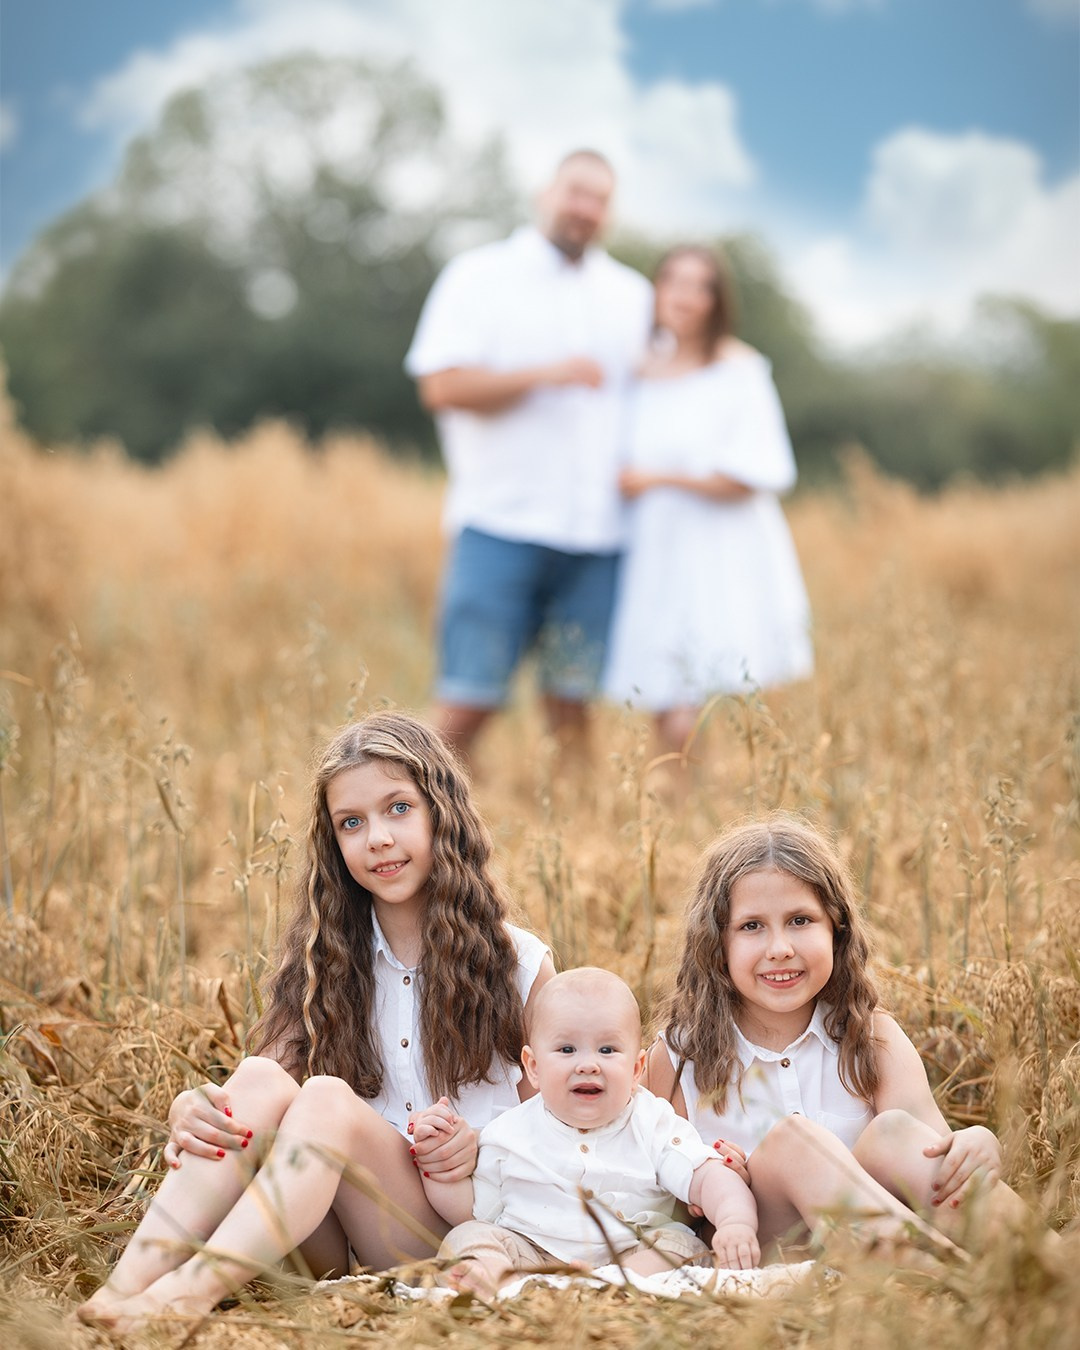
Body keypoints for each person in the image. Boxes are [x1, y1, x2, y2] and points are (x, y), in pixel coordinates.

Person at [77, 711, 555, 1329]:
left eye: (398, 809)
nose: (377, 837)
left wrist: (481, 1147)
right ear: (334, 843)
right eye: (351, 823)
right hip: (324, 1237)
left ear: (444, 812)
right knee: (257, 1079)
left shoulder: (519, 964)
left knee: (327, 1098)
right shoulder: (323, 960)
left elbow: (561, 1131)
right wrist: (194, 1107)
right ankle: (121, 1291)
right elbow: (260, 1099)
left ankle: (185, 1296)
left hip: (452, 1235)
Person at [644, 815, 1053, 1263]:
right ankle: (944, 1278)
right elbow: (650, 1197)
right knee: (793, 1142)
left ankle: (1050, 1268)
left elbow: (932, 1154)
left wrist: (976, 1143)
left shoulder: (872, 1038)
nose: (779, 947)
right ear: (716, 944)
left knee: (893, 1132)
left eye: (800, 920)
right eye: (752, 926)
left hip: (877, 1233)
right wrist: (711, 1184)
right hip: (764, 1248)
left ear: (836, 931)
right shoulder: (680, 1058)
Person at [405, 150, 653, 765]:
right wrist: (547, 374)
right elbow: (442, 386)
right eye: (576, 192)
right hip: (501, 521)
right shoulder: (478, 276)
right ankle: (418, 832)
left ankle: (575, 846)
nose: (586, 209)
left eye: (600, 199)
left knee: (574, 706)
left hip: (599, 532)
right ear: (546, 194)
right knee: (468, 702)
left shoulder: (632, 295)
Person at [416, 967, 759, 1297]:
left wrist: (734, 1221)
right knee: (470, 1236)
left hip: (630, 1255)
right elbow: (472, 1208)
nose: (588, 1064)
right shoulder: (509, 1133)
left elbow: (707, 1176)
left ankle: (607, 1288)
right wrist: (438, 1164)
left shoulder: (651, 1122)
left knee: (683, 1247)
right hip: (532, 1256)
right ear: (533, 1067)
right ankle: (496, 1285)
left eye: (607, 1050)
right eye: (567, 1050)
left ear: (637, 1068)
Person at [604, 246, 813, 757]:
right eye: (673, 281)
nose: (683, 296)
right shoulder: (637, 369)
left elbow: (758, 473)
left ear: (716, 301)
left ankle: (736, 803)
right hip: (658, 545)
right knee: (661, 686)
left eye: (700, 286)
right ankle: (672, 811)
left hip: (723, 547)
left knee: (729, 683)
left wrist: (659, 479)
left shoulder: (738, 370)